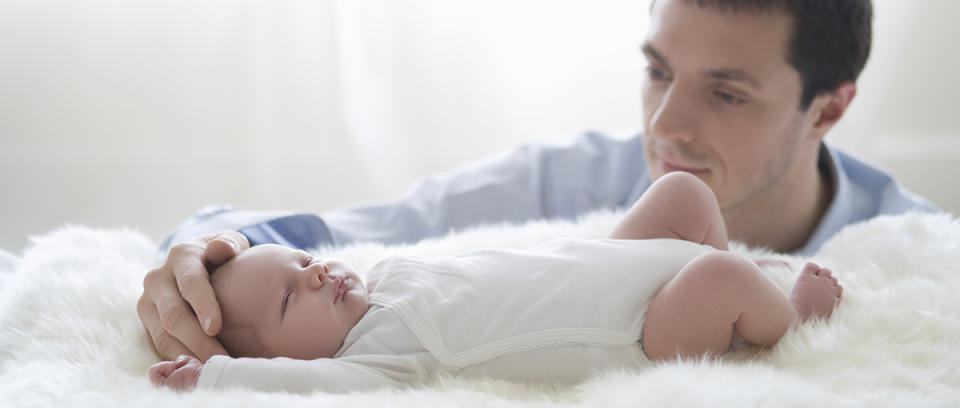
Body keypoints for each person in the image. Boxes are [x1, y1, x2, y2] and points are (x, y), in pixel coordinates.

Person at [138, 0, 936, 362]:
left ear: (830, 108)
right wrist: (205, 263)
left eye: (726, 93)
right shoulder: (561, 183)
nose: (663, 128)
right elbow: (290, 235)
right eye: (658, 72)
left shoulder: (921, 258)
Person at [148, 172, 843, 393]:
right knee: (720, 273)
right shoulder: (377, 356)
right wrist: (213, 377)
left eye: (302, 264)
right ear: (278, 355)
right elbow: (301, 388)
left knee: (685, 193)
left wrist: (243, 242)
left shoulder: (388, 272)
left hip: (611, 263)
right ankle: (784, 317)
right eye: (289, 297)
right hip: (640, 329)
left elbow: (325, 240)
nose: (317, 272)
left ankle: (728, 298)